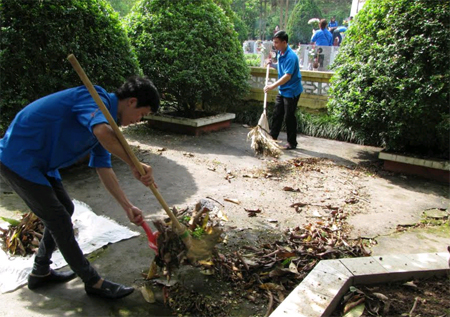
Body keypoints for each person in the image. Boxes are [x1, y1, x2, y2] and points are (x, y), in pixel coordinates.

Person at [0, 76, 160, 299]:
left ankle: (40, 272)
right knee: (59, 219)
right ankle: (92, 281)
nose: (138, 120)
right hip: (20, 157)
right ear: (132, 102)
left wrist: (127, 206)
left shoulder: (105, 123)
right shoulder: (94, 98)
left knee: (65, 208)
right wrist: (135, 163)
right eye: (142, 114)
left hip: (42, 161)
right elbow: (103, 134)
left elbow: (104, 168)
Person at [264, 30, 303, 150]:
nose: (274, 45)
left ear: (284, 42)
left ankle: (292, 143)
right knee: (277, 114)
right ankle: (272, 138)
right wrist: (272, 65)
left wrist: (271, 86)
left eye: (276, 42)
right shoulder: (281, 53)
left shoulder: (291, 56)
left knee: (289, 117)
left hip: (291, 91)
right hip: (283, 90)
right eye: (274, 42)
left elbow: (287, 76)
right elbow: (281, 68)